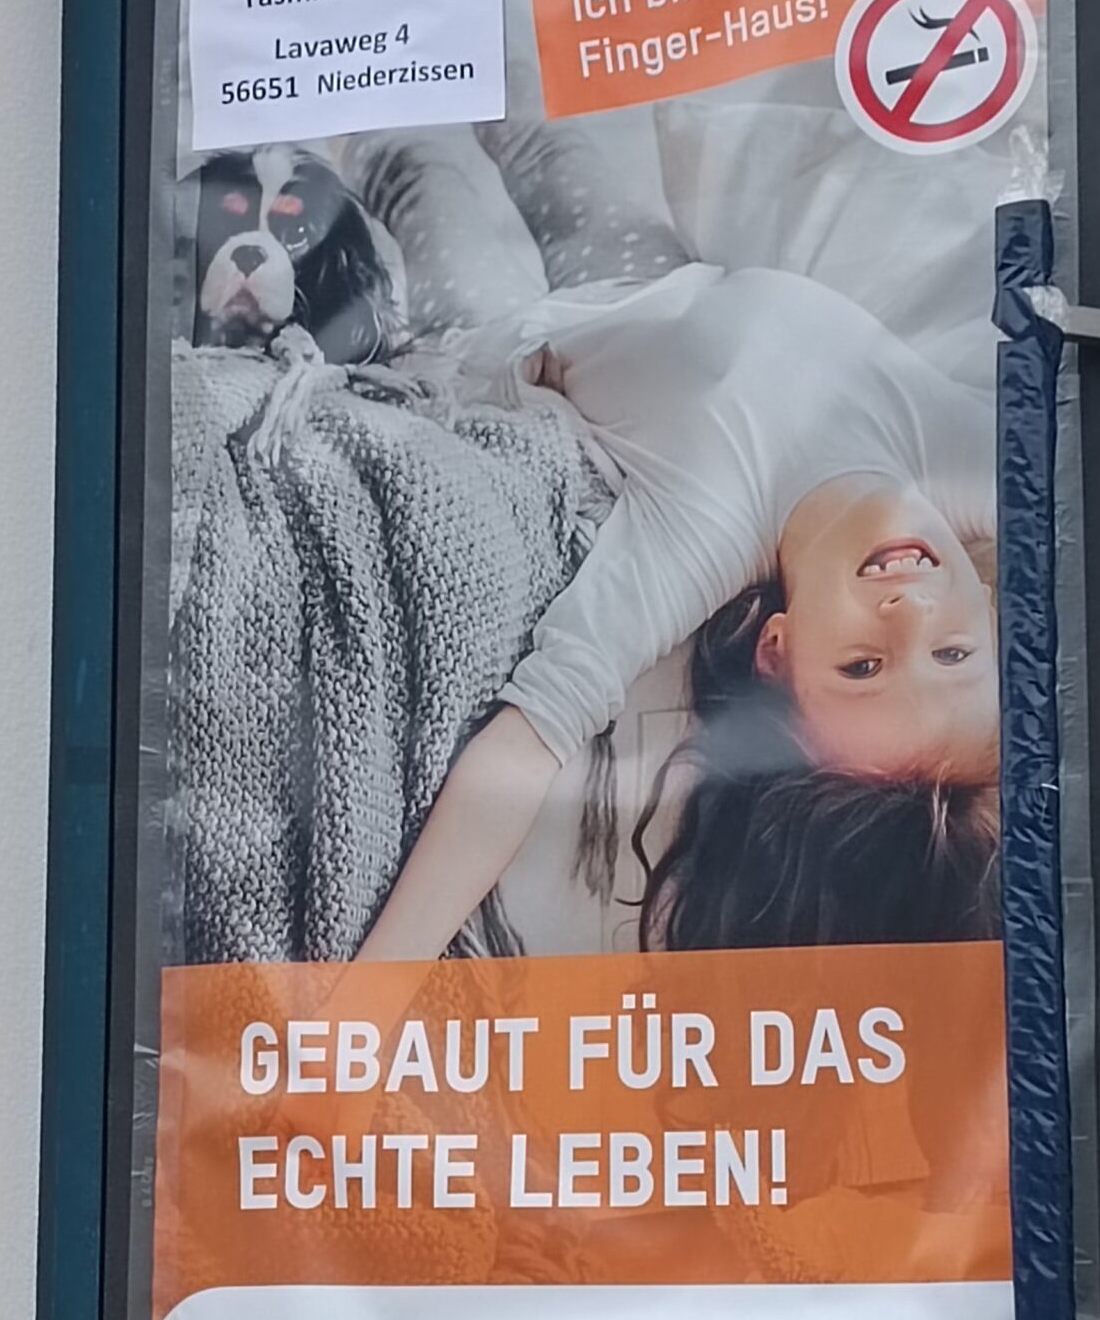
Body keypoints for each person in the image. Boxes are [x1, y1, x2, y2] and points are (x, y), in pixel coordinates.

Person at [340, 117, 1000, 963]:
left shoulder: (703, 536)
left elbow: (526, 746)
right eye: (952, 653)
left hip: (508, 335)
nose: (908, 613)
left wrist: (365, 1009)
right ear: (991, 611)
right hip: (647, 270)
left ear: (777, 650)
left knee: (430, 165)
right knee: (560, 127)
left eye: (862, 667)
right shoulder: (966, 464)